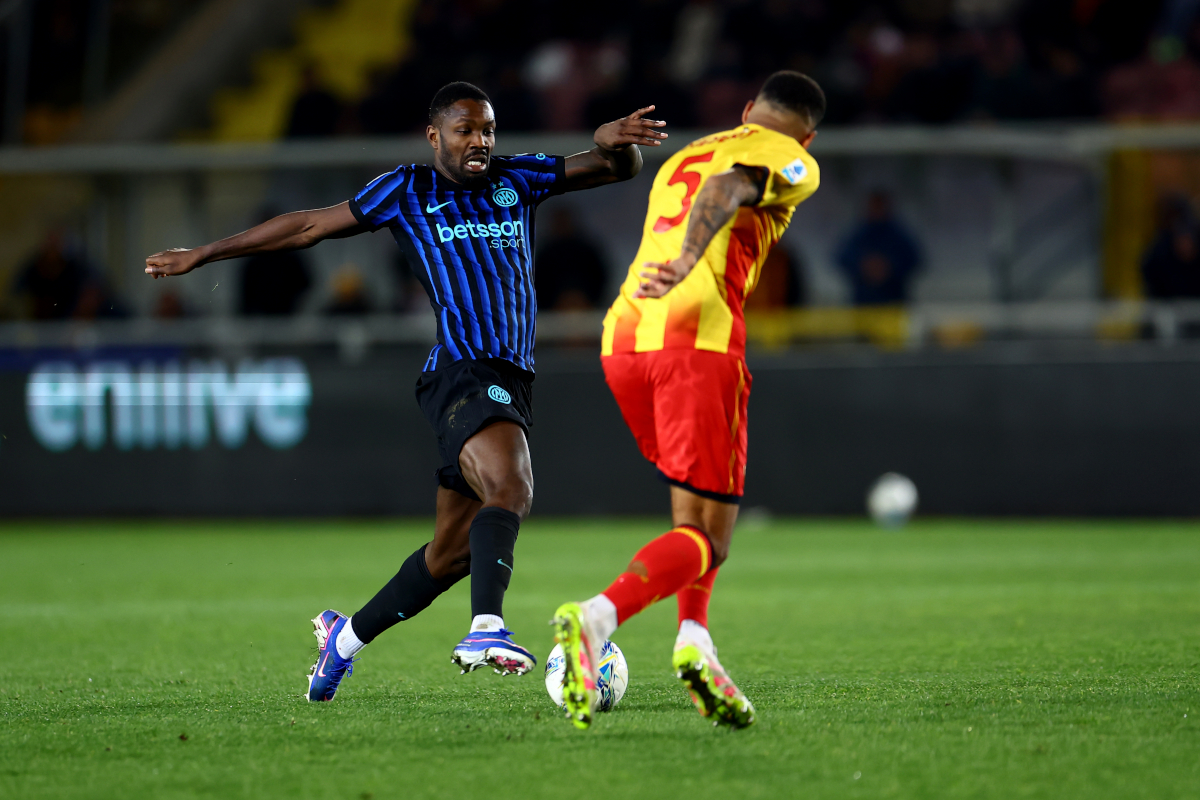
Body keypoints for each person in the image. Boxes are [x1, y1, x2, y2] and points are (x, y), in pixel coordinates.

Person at [145, 81, 666, 702]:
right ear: (435, 135)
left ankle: (341, 642)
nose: (479, 142)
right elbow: (309, 225)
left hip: (512, 378)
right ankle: (486, 628)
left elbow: (614, 168)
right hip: (461, 372)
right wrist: (203, 253)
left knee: (450, 555)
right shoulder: (407, 189)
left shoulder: (518, 178)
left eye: (488, 131)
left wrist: (615, 145)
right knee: (512, 484)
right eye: (466, 130)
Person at [550, 70, 824, 730]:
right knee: (712, 537)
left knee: (691, 522)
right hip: (696, 342)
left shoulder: (689, 151)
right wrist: (694, 257)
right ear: (807, 134)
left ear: (746, 106)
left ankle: (696, 644)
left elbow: (709, 182)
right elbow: (731, 191)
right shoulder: (793, 160)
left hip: (623, 338)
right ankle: (596, 619)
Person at [835, 190, 921, 306]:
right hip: (863, 302)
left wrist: (889, 267)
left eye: (879, 205)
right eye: (873, 205)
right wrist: (863, 265)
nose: (876, 210)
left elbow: (914, 259)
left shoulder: (897, 233)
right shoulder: (859, 233)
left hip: (893, 302)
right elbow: (842, 258)